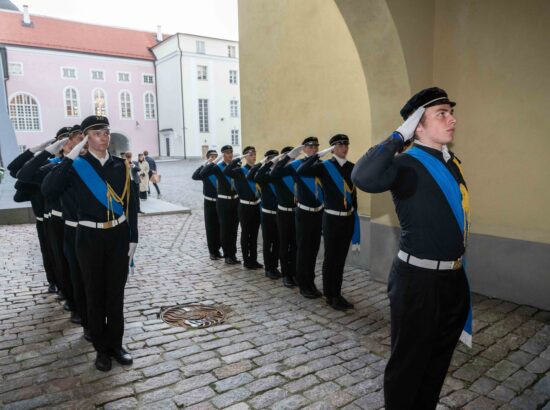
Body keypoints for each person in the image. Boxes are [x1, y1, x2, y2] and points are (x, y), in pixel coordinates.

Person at [351, 87, 471, 409]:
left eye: (450, 112)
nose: (452, 120)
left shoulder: (449, 162)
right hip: (418, 283)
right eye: (441, 114)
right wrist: (397, 136)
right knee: (408, 370)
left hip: (451, 282)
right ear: (418, 125)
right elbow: (362, 175)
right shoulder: (405, 165)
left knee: (435, 368)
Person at [42, 115, 138, 372]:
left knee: (115, 296)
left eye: (106, 132)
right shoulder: (75, 166)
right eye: (97, 133)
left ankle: (116, 345)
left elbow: (131, 206)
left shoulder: (121, 165)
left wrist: (133, 238)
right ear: (86, 138)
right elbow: (49, 190)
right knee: (94, 295)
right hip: (88, 238)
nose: (104, 136)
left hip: (117, 236)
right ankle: (101, 350)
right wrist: (71, 155)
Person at [17, 127, 80, 319]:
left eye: (78, 139)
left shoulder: (91, 165)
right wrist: (43, 151)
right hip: (58, 222)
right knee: (63, 264)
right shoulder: (52, 167)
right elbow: (20, 175)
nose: (73, 144)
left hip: (87, 224)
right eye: (67, 141)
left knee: (84, 269)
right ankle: (73, 303)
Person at [297, 134, 359, 311]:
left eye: (346, 144)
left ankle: (337, 293)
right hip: (331, 218)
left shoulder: (351, 167)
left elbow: (354, 196)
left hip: (347, 218)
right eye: (340, 145)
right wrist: (318, 155)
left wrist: (355, 219)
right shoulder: (324, 167)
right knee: (330, 258)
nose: (344, 148)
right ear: (332, 148)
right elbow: (301, 171)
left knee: (340, 259)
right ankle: (329, 295)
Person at [271, 137, 324, 298]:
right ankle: (303, 284)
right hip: (303, 212)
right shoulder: (296, 164)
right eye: (310, 147)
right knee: (303, 249)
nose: (314, 149)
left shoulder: (321, 165)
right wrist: (289, 157)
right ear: (304, 149)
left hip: (318, 211)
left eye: (316, 146)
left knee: (313, 250)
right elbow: (275, 173)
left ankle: (310, 281)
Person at [7, 136, 58, 294]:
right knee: (48, 252)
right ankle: (53, 281)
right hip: (42, 219)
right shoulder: (42, 164)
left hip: (58, 217)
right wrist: (34, 151)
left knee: (61, 254)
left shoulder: (62, 165)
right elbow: (14, 171)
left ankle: (63, 285)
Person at [199, 145, 240, 265]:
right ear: (223, 155)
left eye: (231, 152)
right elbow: (202, 173)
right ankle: (227, 255)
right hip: (223, 201)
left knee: (234, 230)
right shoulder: (218, 167)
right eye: (227, 153)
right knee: (225, 229)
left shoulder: (236, 166)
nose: (230, 154)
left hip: (235, 201)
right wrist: (214, 161)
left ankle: (233, 254)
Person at [223, 146, 263, 269]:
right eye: (250, 154)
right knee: (246, 234)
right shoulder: (239, 170)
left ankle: (254, 259)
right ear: (245, 157)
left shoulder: (258, 169)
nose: (254, 156)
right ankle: (247, 260)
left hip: (256, 205)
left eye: (255, 154)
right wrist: (236, 160)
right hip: (244, 206)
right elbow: (226, 171)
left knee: (254, 234)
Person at [265, 146, 298, 287]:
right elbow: (269, 174)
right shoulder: (278, 173)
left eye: (292, 157)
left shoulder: (296, 171)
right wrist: (281, 159)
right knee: (284, 244)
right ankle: (286, 275)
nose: (291, 160)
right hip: (283, 212)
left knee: (295, 245)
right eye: (288, 157)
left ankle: (294, 273)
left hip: (297, 212)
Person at [248, 149, 281, 279]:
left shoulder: (278, 173)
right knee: (268, 242)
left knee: (277, 242)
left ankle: (275, 266)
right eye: (271, 159)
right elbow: (250, 176)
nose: (274, 161)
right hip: (267, 213)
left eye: (275, 158)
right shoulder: (262, 175)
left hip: (278, 213)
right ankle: (268, 268)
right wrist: (263, 163)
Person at [192, 149, 223, 260]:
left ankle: (218, 249)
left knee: (220, 227)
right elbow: (195, 176)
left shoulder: (219, 169)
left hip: (220, 201)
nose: (214, 158)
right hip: (209, 202)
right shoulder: (205, 171)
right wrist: (204, 164)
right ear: (208, 158)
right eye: (211, 156)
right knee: (211, 227)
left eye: (215, 156)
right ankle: (212, 252)